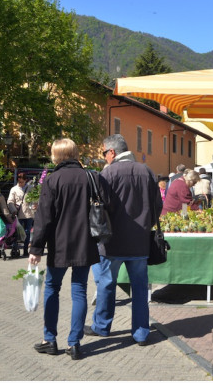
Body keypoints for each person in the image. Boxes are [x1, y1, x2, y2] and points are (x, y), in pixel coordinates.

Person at [29, 138, 106, 360]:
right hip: (85, 243)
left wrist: (35, 248)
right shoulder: (91, 177)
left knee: (52, 288)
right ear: (74, 153)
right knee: (79, 289)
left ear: (57, 155)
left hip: (59, 245)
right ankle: (74, 343)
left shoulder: (53, 180)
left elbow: (44, 217)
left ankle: (50, 340)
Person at [85, 134, 161, 346]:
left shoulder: (108, 173)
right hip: (140, 241)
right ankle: (141, 333)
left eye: (103, 153)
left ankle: (101, 327)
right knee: (139, 287)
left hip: (112, 241)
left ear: (112, 152)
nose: (104, 158)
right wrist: (147, 224)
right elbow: (157, 206)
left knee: (106, 284)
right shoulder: (147, 171)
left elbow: (100, 208)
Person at [8, 172, 36, 257]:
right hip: (18, 214)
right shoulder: (14, 189)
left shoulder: (31, 188)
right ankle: (15, 249)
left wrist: (34, 205)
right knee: (17, 232)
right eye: (19, 182)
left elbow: (35, 199)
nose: (20, 184)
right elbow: (10, 201)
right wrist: (13, 210)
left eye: (22, 182)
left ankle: (25, 250)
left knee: (27, 232)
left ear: (25, 180)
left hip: (29, 213)